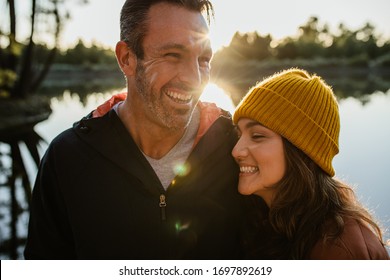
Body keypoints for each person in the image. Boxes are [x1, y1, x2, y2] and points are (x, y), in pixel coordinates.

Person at [24, 0, 245, 259]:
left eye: (204, 59)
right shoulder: (67, 159)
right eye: (173, 55)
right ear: (126, 59)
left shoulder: (237, 148)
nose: (194, 79)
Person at [232, 68, 389, 259]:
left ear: (301, 150)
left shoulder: (339, 250)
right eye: (238, 134)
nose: (236, 151)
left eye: (257, 136)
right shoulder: (276, 220)